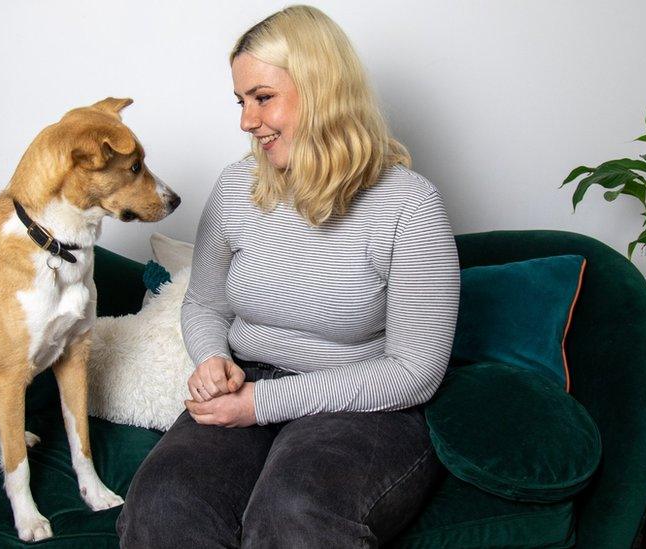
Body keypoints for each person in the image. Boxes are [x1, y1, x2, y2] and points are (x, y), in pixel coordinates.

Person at [116, 5, 459, 547]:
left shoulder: (408, 205)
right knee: (163, 502)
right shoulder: (235, 189)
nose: (246, 121)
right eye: (241, 101)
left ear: (322, 89)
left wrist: (260, 405)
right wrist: (212, 358)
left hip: (363, 401)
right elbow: (204, 305)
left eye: (262, 97)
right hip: (249, 379)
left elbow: (416, 370)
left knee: (292, 512)